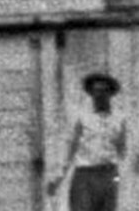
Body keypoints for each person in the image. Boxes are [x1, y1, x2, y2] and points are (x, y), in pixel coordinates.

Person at [48, 72, 128, 211]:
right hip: (85, 176)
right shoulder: (82, 118)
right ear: (91, 94)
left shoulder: (119, 119)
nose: (100, 95)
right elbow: (70, 149)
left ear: (110, 94)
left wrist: (123, 180)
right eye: (96, 91)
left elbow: (123, 152)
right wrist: (58, 178)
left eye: (104, 91)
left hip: (108, 174)